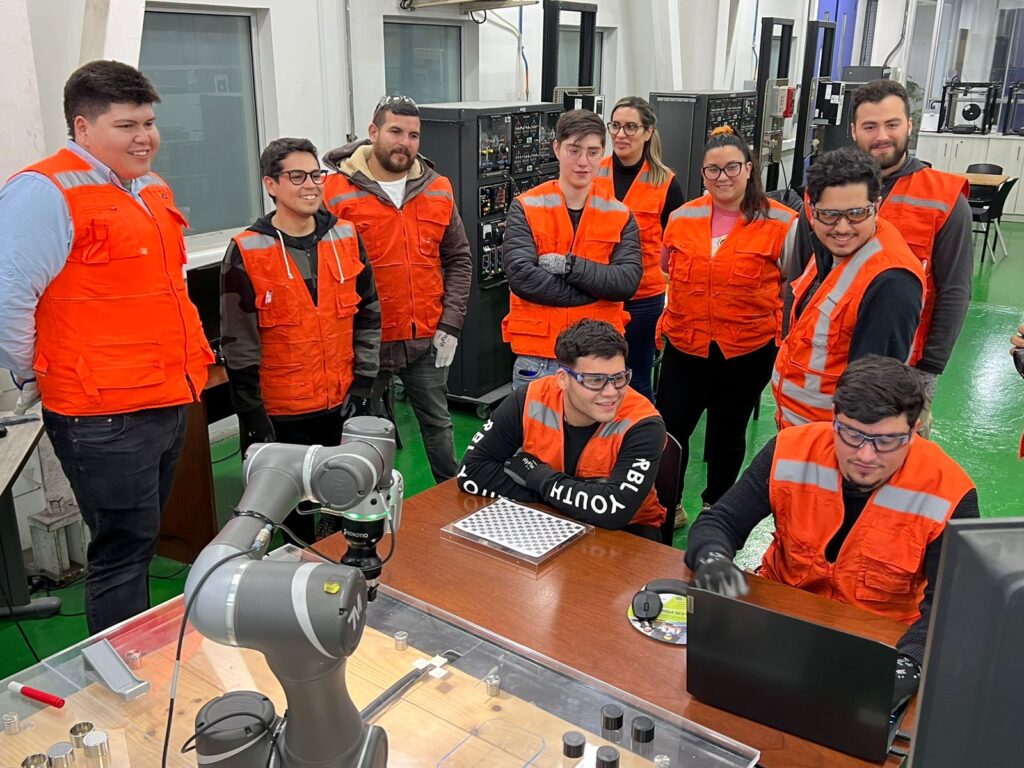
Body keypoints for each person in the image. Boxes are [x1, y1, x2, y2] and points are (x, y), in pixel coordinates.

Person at [0, 61, 214, 634]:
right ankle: (121, 666)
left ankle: (137, 649)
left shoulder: (150, 188)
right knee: (121, 551)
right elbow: (8, 299)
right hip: (102, 414)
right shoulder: (42, 192)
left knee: (141, 540)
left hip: (167, 396)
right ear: (83, 126)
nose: (144, 137)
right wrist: (34, 372)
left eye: (148, 123)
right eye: (126, 126)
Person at [686, 355, 979, 706]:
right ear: (834, 418)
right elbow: (721, 521)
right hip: (781, 622)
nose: (865, 456)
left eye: (886, 441)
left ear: (914, 430)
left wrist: (911, 661)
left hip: (880, 643)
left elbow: (954, 604)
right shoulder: (790, 450)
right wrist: (713, 559)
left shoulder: (950, 492)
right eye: (851, 434)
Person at [220, 138, 381, 544]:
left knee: (349, 510)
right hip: (283, 415)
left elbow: (369, 315)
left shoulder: (346, 236)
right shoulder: (246, 250)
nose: (310, 185)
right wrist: (253, 418)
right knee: (296, 527)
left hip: (343, 405)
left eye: (315, 175)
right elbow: (239, 346)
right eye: (296, 176)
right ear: (271, 185)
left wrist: (364, 385)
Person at [790, 80, 972, 431]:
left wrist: (929, 370)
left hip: (902, 364)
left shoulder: (944, 199)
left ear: (910, 125)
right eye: (870, 126)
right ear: (853, 130)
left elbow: (955, 290)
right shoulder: (821, 191)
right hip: (821, 361)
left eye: (892, 124)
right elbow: (801, 274)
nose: (882, 136)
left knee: (884, 452)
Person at [322, 95, 472, 483]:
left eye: (413, 135)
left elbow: (459, 259)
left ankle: (452, 499)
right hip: (364, 343)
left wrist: (451, 324)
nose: (405, 142)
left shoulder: (438, 188)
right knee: (361, 437)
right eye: (395, 132)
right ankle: (363, 509)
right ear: (373, 132)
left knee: (439, 426)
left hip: (425, 338)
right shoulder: (334, 192)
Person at [657, 126, 797, 529]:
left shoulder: (782, 222)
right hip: (686, 345)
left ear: (749, 168)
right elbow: (667, 269)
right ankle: (668, 507)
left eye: (732, 167)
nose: (723, 177)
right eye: (713, 170)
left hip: (746, 351)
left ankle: (714, 509)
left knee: (727, 433)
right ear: (703, 174)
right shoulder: (682, 218)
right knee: (671, 430)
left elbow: (793, 283)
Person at [457, 319, 667, 540]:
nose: (611, 392)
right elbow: (471, 472)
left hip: (627, 535)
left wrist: (538, 477)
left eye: (619, 378)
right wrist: (566, 495)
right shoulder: (529, 398)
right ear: (563, 379)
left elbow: (613, 511)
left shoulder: (644, 424)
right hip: (545, 522)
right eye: (595, 380)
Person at [772, 146, 925, 429]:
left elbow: (872, 400)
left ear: (876, 206)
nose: (842, 228)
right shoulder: (831, 250)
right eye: (830, 214)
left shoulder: (891, 283)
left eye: (856, 213)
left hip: (833, 439)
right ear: (812, 211)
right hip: (799, 428)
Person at [501, 109, 642, 389]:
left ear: (603, 153)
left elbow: (626, 282)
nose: (583, 162)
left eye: (592, 152)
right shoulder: (526, 207)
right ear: (557, 148)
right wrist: (596, 291)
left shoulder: (620, 214)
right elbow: (523, 278)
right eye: (574, 150)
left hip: (600, 358)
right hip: (539, 358)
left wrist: (569, 267)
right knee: (535, 420)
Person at [594, 96, 685, 401]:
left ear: (648, 132)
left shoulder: (666, 183)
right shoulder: (593, 173)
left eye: (631, 127)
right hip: (599, 291)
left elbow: (678, 244)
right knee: (596, 376)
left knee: (636, 380)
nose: (621, 134)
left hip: (643, 298)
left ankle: (641, 429)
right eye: (615, 126)